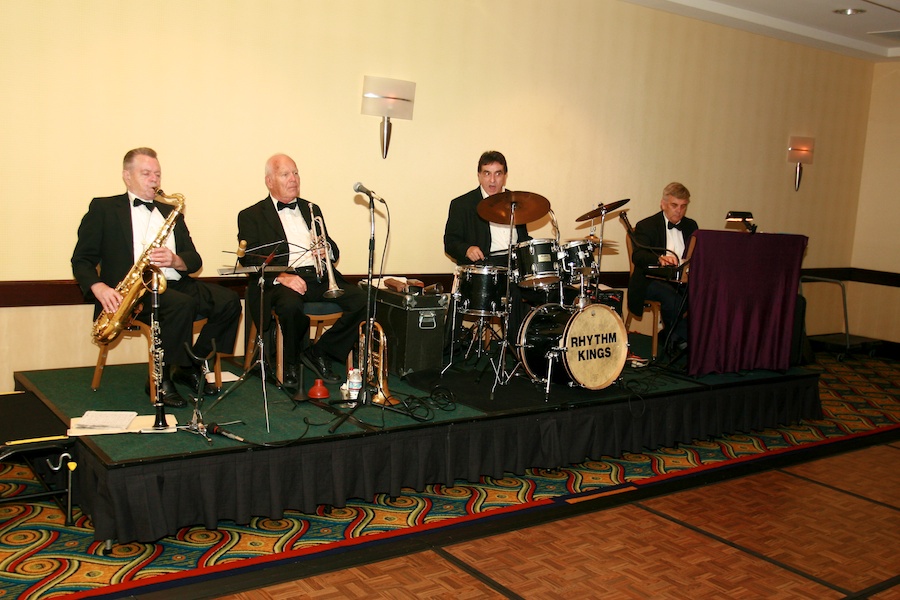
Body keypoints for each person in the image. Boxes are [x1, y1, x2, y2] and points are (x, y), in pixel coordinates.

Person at [72, 147, 242, 408]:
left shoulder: (171, 212)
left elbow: (194, 259)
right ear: (127, 176)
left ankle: (190, 362)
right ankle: (160, 377)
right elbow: (81, 260)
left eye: (157, 174)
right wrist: (99, 287)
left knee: (229, 301)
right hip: (133, 293)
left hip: (176, 282)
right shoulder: (103, 209)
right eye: (146, 173)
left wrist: (176, 260)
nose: (154, 180)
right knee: (181, 305)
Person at [237, 153, 367, 391]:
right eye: (285, 174)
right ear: (269, 181)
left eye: (295, 173)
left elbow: (331, 246)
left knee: (363, 300)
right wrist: (282, 276)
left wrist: (325, 249)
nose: (293, 179)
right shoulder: (250, 215)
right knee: (290, 305)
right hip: (282, 281)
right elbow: (249, 258)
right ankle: (290, 364)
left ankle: (319, 351)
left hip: (317, 277)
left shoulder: (311, 208)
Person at [444, 151, 532, 345]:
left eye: (498, 173)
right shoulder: (462, 204)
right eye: (487, 173)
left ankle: (521, 348)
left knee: (530, 287)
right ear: (479, 175)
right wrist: (466, 249)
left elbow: (524, 239)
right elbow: (450, 241)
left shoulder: (517, 203)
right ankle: (449, 348)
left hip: (513, 264)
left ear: (505, 175)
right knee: (512, 290)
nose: (492, 180)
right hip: (481, 265)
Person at [627, 181, 698, 353]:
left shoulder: (691, 226)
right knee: (670, 297)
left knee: (707, 295)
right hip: (649, 281)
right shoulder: (647, 225)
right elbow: (639, 256)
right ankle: (690, 341)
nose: (679, 210)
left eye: (683, 206)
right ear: (663, 204)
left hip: (681, 280)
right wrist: (659, 259)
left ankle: (670, 336)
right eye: (674, 205)